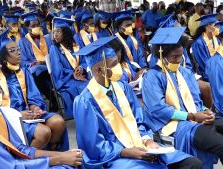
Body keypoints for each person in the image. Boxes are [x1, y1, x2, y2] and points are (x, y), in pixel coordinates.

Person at [73, 36, 203, 169]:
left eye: (118, 62)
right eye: (114, 64)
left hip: (141, 145)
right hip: (115, 156)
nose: (119, 67)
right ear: (99, 70)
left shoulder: (123, 87)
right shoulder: (85, 102)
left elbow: (139, 120)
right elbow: (92, 145)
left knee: (192, 163)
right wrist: (125, 151)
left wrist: (148, 140)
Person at [142, 26, 223, 169]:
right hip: (178, 124)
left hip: (197, 116)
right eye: (174, 57)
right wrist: (192, 116)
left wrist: (205, 111)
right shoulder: (152, 76)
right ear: (161, 55)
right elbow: (158, 109)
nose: (178, 60)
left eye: (181, 56)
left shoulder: (184, 72)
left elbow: (196, 100)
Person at [0, 56, 82, 168]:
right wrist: (58, 160)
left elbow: (20, 149)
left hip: (9, 162)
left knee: (72, 162)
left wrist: (62, 155)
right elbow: (7, 166)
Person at [0, 29, 69, 151]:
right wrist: (17, 115)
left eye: (18, 49)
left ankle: (52, 153)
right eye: (12, 50)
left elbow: (33, 96)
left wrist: (35, 108)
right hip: (7, 119)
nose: (18, 53)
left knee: (58, 122)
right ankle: (24, 161)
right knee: (44, 132)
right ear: (3, 57)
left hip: (28, 113)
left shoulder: (23, 71)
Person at [49, 17, 88, 119]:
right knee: (83, 88)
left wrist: (81, 68)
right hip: (65, 80)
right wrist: (72, 73)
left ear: (66, 33)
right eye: (54, 32)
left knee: (92, 86)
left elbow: (84, 60)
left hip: (80, 77)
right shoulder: (54, 48)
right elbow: (58, 70)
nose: (55, 35)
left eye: (58, 31)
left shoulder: (76, 45)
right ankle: (82, 114)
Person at [18, 11, 52, 101]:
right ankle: (51, 97)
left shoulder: (47, 38)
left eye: (37, 25)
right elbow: (23, 61)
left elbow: (53, 54)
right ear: (27, 27)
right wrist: (35, 63)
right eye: (33, 26)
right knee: (36, 71)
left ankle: (52, 98)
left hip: (49, 64)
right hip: (35, 67)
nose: (36, 28)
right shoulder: (22, 42)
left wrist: (45, 62)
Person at [191, 14, 220, 81]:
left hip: (218, 69)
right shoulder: (199, 43)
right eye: (216, 25)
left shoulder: (216, 39)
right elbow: (203, 63)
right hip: (207, 73)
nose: (218, 28)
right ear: (208, 26)